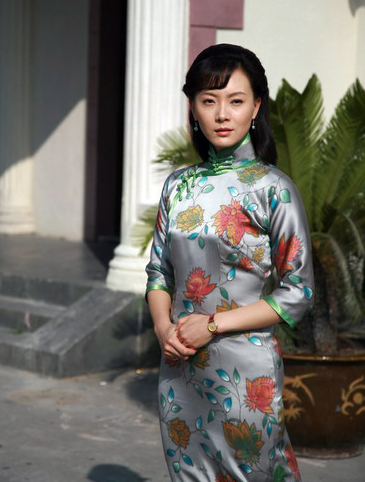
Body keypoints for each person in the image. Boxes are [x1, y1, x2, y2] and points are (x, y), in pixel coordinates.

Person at [145, 44, 314, 482]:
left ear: (255, 107)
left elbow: (298, 293)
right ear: (193, 108)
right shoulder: (177, 186)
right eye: (209, 101)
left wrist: (213, 325)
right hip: (179, 368)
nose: (222, 114)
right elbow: (159, 272)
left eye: (236, 101)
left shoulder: (274, 189)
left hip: (246, 376)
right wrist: (163, 329)